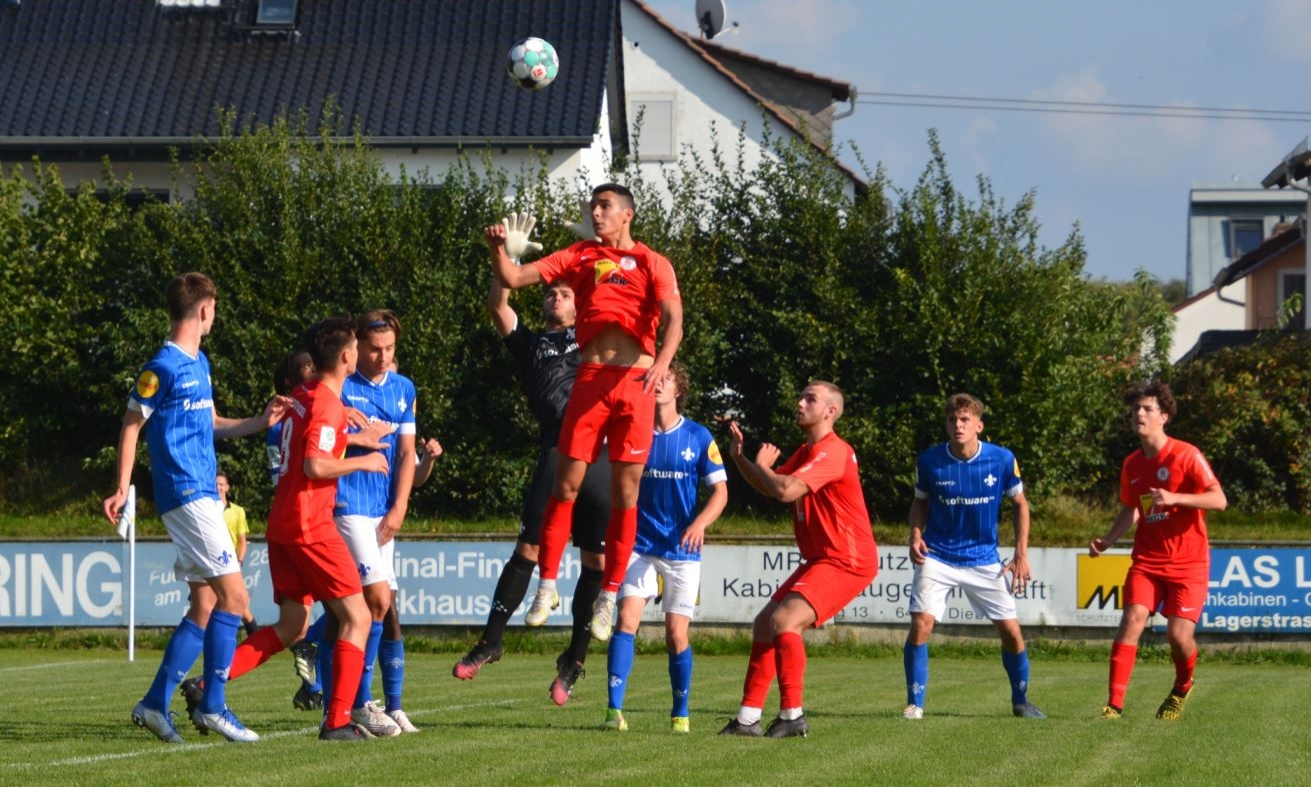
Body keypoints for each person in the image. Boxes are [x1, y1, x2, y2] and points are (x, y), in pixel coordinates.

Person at [485, 184, 683, 643]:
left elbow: (674, 318)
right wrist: (498, 249)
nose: (595, 212)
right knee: (565, 484)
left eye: (604, 206)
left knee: (626, 493)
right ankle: (546, 587)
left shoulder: (653, 262)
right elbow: (511, 278)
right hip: (591, 379)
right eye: (593, 206)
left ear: (627, 214)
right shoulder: (579, 256)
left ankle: (609, 596)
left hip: (635, 382)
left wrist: (662, 362)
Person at [103, 271, 288, 744]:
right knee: (235, 599)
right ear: (204, 309)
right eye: (214, 309)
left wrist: (259, 421)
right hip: (186, 494)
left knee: (205, 603)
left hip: (201, 493)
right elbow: (131, 424)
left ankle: (154, 704)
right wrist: (122, 487)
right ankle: (213, 706)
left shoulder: (199, 362)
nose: (214, 317)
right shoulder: (161, 367)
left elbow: (212, 423)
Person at [187, 315, 390, 742]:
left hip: (282, 523)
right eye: (356, 346)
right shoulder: (327, 403)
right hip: (310, 524)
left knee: (294, 625)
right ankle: (337, 721)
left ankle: (208, 684)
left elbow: (309, 437)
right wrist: (365, 459)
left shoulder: (304, 393)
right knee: (357, 616)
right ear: (347, 356)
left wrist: (351, 434)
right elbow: (314, 465)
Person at [453, 219, 611, 707]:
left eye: (564, 294)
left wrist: (597, 248)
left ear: (579, 304)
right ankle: (491, 641)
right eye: (550, 294)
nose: (556, 298)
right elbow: (498, 306)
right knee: (528, 546)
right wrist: (507, 258)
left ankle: (575, 659)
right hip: (556, 450)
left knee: (595, 561)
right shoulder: (532, 343)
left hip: (599, 452)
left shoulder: (592, 333)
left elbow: (611, 291)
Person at [720, 382, 879, 739]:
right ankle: (747, 719)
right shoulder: (808, 452)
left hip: (847, 560)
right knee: (765, 624)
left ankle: (792, 715)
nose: (801, 402)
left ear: (830, 412)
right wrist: (741, 459)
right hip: (823, 557)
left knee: (785, 621)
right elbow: (770, 486)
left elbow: (784, 489)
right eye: (802, 396)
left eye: (811, 398)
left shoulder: (834, 451)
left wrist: (763, 465)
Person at [901, 394, 1045, 721]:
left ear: (979, 425)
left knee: (1011, 632)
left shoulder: (1002, 459)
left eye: (965, 419)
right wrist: (915, 535)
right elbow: (920, 502)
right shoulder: (930, 461)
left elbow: (1020, 504)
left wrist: (1021, 553)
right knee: (921, 624)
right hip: (938, 555)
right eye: (952, 419)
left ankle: (1021, 701)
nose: (958, 425)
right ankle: (914, 704)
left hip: (983, 558)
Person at [602, 362, 727, 734]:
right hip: (638, 544)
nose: (657, 384)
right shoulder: (633, 432)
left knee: (676, 634)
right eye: (653, 379)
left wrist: (700, 524)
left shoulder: (698, 436)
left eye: (666, 379)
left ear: (679, 390)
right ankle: (613, 711)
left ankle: (680, 713)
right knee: (626, 619)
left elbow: (721, 492)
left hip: (681, 549)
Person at [1089, 381, 1226, 720]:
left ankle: (1182, 686)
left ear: (1163, 417)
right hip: (1148, 560)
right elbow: (1132, 507)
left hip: (1189, 563)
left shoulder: (1186, 455)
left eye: (1147, 409)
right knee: (1132, 619)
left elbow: (1219, 499)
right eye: (1135, 408)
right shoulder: (1132, 464)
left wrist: (1176, 497)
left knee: (1178, 636)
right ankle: (1114, 705)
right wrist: (1108, 540)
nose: (1139, 413)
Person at [315, 310, 420, 736]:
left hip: (382, 510)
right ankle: (359, 703)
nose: (382, 356)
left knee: (370, 608)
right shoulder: (339, 386)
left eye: (389, 348)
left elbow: (406, 453)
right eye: (374, 349)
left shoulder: (404, 389)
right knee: (375, 601)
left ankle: (355, 701)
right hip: (346, 505)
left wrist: (399, 507)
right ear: (356, 346)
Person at [217, 470, 260, 636]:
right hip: (211, 563)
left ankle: (256, 640)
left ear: (227, 487)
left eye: (221, 484)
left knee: (240, 604)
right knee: (209, 605)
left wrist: (238, 562)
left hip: (229, 564)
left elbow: (242, 541)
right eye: (215, 484)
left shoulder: (237, 511)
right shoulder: (207, 510)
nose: (218, 487)